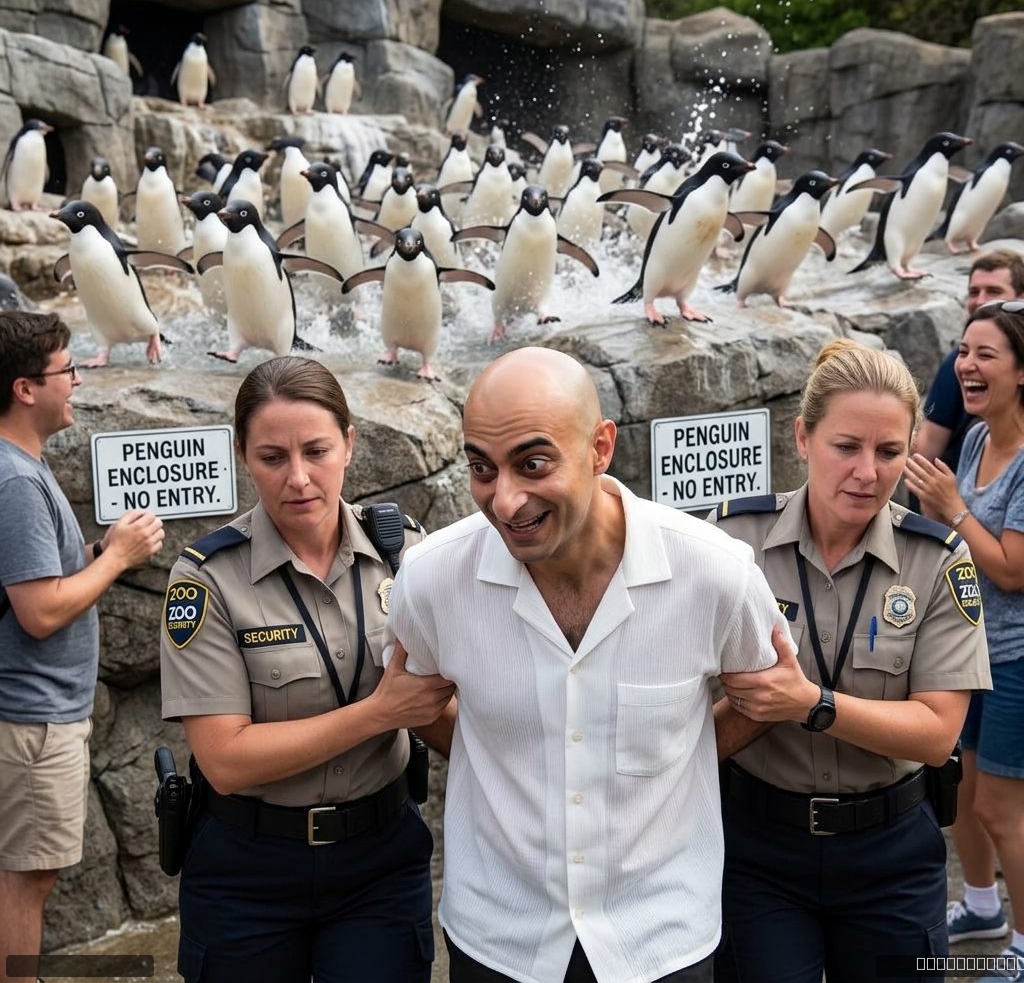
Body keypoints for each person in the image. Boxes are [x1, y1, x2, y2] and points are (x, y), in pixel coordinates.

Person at [385, 346, 794, 983]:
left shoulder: (714, 572)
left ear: (601, 448)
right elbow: (414, 699)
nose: (505, 501)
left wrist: (677, 755)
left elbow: (768, 696)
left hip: (660, 939)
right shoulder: (432, 579)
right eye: (482, 468)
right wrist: (497, 751)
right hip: (500, 938)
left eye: (533, 463)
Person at [159, 355, 455, 983]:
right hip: (248, 871)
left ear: (349, 444)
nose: (298, 478)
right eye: (272, 457)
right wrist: (379, 714)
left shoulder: (404, 553)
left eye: (316, 451)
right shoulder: (208, 580)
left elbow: (445, 709)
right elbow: (225, 760)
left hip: (380, 861)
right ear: (243, 456)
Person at [710, 339, 991, 983]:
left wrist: (811, 705)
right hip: (759, 852)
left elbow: (937, 733)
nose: (867, 472)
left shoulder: (937, 560)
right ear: (803, 438)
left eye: (889, 452)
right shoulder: (731, 543)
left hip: (891, 857)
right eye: (846, 447)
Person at [0, 311, 164, 981]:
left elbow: (38, 580)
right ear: (25, 389)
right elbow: (40, 612)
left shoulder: (22, 468)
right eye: (65, 371)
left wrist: (98, 550)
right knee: (27, 879)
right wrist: (118, 558)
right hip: (33, 720)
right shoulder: (15, 481)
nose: (77, 381)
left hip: (35, 716)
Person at [907, 302, 1024, 982]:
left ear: (1021, 372)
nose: (966, 365)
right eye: (962, 350)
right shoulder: (976, 439)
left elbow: (1010, 571)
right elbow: (954, 540)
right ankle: (981, 907)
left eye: (985, 354)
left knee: (1005, 811)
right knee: (967, 796)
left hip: (1016, 659)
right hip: (972, 650)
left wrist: (950, 507)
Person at [915, 250, 1024, 482]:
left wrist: (949, 502)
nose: (981, 301)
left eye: (994, 292)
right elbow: (927, 448)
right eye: (974, 292)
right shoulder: (977, 438)